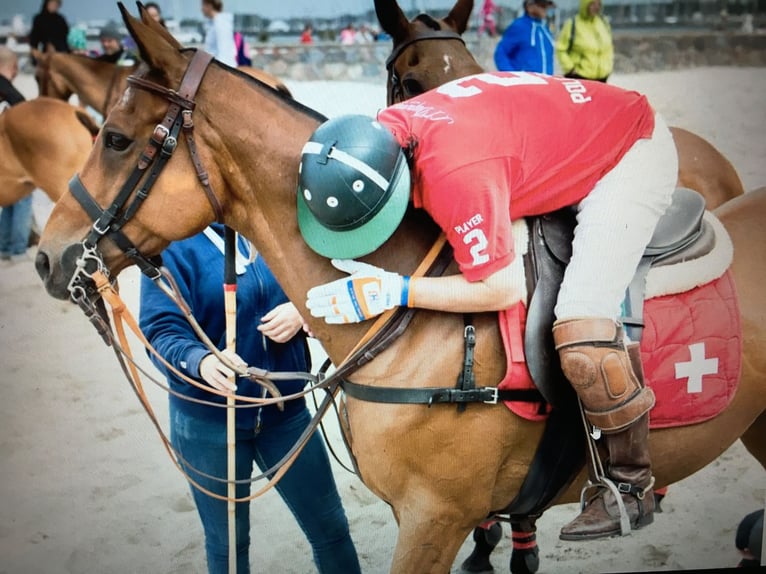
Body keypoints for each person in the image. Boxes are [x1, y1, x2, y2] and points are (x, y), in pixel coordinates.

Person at [298, 72, 679, 540]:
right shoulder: (379, 130)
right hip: (565, 124)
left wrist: (395, 291)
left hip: (629, 148)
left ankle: (631, 485)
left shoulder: (456, 175)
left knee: (580, 318)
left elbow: (502, 289)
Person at [139, 224, 362, 574]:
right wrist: (202, 360)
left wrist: (301, 310)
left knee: (331, 528)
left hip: (285, 414)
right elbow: (159, 330)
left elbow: (319, 280)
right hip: (209, 423)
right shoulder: (171, 245)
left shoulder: (266, 221)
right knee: (229, 547)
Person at [0, 47, 33, 265]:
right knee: (23, 192)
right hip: (6, 155)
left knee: (10, 195)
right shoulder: (6, 89)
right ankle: (18, 249)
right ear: (13, 67)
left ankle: (4, 246)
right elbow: (26, 114)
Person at [555, 0, 614, 82]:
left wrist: (608, 66)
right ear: (584, 5)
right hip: (580, 77)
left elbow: (608, 48)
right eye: (592, 4)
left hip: (602, 78)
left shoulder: (603, 22)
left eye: (598, 4)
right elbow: (560, 49)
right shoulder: (572, 24)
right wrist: (570, 68)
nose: (596, 7)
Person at [494, 0, 556, 74]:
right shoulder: (519, 26)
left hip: (545, 83)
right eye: (542, 5)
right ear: (529, 6)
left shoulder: (545, 29)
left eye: (547, 6)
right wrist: (513, 76)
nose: (545, 9)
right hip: (525, 83)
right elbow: (501, 53)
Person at [201, 0, 237, 68]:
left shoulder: (220, 23)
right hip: (214, 67)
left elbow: (224, 50)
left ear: (210, 6)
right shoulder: (213, 24)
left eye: (203, 5)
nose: (201, 9)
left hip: (222, 69)